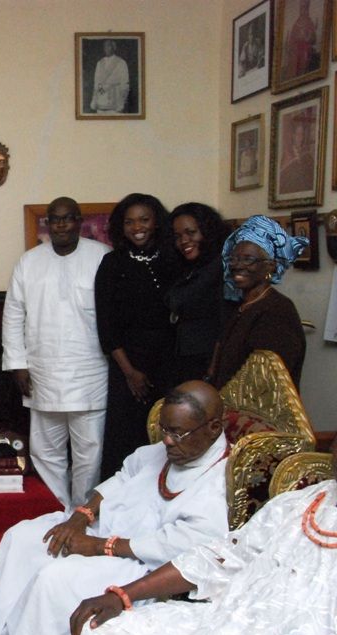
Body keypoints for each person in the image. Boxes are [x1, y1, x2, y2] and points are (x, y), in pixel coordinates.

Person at [0, 381, 230, 635]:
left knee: (54, 579)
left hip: (140, 561)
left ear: (213, 427)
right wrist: (81, 515)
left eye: (176, 433)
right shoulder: (173, 449)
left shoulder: (217, 484)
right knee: (21, 537)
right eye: (164, 430)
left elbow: (182, 548)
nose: (166, 441)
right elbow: (124, 476)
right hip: (104, 530)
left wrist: (101, 545)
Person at [65, 437, 337, 635]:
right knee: (102, 633)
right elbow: (223, 557)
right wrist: (124, 594)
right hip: (225, 622)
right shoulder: (303, 501)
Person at [3, 197, 111, 508]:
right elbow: (13, 315)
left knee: (89, 449)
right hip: (42, 371)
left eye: (68, 218)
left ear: (79, 221)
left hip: (90, 371)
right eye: (55, 219)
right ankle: (57, 509)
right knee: (45, 449)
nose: (61, 225)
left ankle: (82, 514)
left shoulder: (102, 257)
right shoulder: (29, 262)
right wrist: (17, 365)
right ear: (47, 224)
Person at [95, 193, 177, 479]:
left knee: (168, 432)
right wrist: (130, 373)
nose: (137, 227)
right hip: (127, 364)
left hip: (169, 361)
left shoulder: (173, 258)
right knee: (126, 436)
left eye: (144, 219)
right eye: (129, 222)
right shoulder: (112, 264)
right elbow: (106, 326)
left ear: (156, 222)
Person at [209, 215, 307, 389]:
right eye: (234, 258)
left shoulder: (276, 310)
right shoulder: (243, 305)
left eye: (248, 259)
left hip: (259, 412)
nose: (237, 265)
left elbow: (267, 380)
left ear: (270, 265)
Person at [165, 203, 227, 382]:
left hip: (207, 362)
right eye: (178, 236)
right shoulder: (188, 266)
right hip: (185, 357)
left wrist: (212, 370)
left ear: (208, 231)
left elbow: (225, 325)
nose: (184, 241)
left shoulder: (221, 267)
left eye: (191, 233)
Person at [90, 40, 129, 113]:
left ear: (114, 47)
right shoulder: (99, 63)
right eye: (105, 46)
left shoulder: (121, 63)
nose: (106, 48)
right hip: (101, 100)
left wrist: (122, 101)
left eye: (109, 46)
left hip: (116, 100)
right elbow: (96, 82)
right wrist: (97, 96)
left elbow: (125, 83)